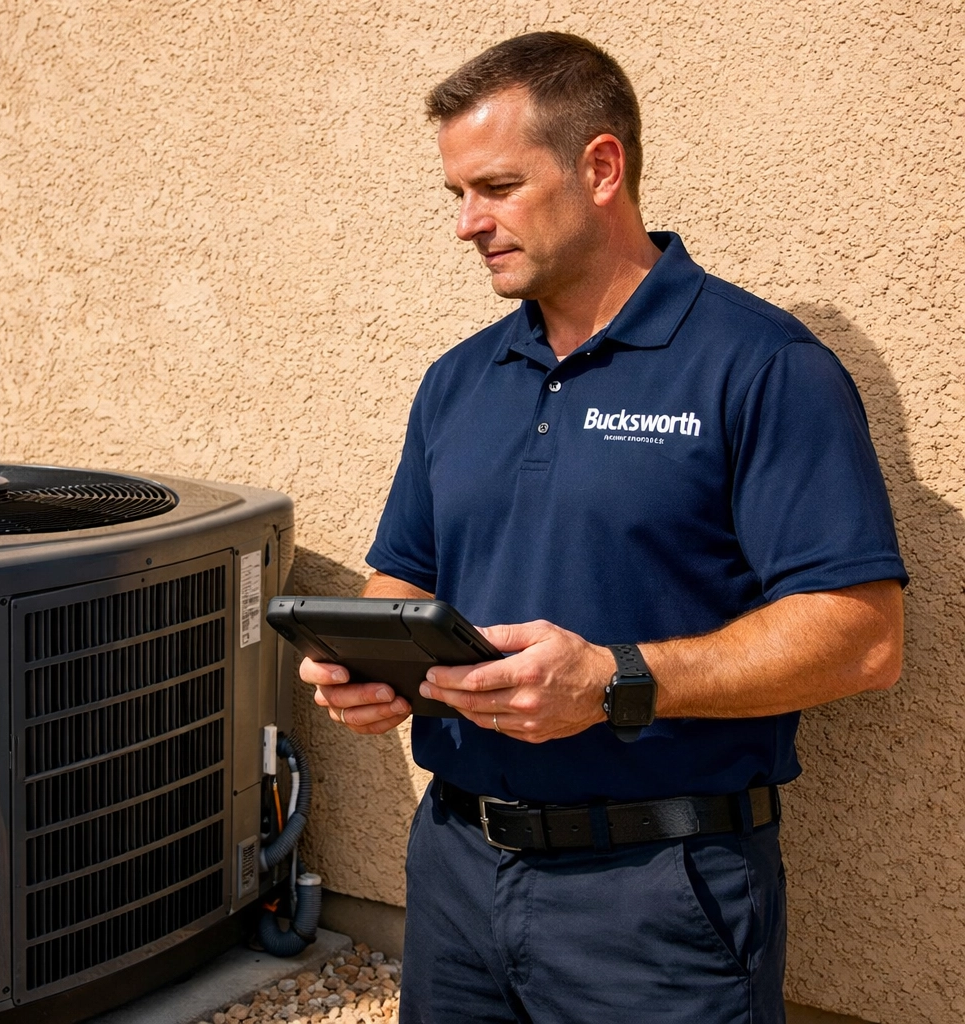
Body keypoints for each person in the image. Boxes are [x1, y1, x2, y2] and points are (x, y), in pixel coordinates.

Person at [300, 32, 907, 1024]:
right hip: (454, 867)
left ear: (601, 166)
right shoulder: (458, 382)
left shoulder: (761, 365)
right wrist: (370, 659)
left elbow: (865, 637)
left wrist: (617, 679)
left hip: (660, 890)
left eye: (495, 186)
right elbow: (402, 576)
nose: (468, 223)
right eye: (456, 193)